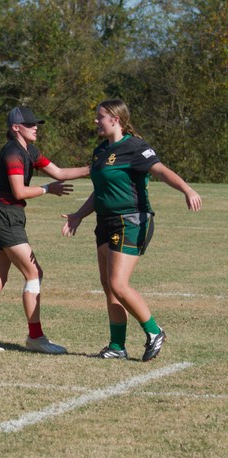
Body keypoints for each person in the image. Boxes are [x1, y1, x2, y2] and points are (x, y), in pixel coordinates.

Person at [62, 99, 201, 361]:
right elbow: (101, 190)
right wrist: (79, 215)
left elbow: (160, 170)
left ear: (115, 119)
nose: (95, 121)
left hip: (131, 220)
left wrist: (187, 189)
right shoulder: (100, 150)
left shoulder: (135, 147)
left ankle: (154, 331)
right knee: (108, 286)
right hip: (105, 222)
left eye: (99, 116)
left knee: (118, 283)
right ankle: (117, 346)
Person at [0, 107, 90, 354]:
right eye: (30, 124)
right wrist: (47, 189)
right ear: (15, 128)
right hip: (6, 216)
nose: (35, 127)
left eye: (36, 123)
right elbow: (20, 191)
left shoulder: (29, 150)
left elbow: (60, 173)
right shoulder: (13, 152)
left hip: (5, 216)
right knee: (34, 273)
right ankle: (36, 337)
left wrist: (95, 168)